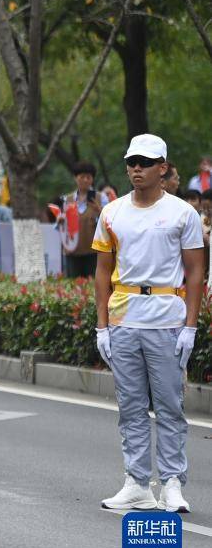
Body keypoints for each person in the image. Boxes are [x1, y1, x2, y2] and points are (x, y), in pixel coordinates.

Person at [94, 134, 203, 514]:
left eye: (145, 162)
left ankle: (172, 483)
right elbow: (102, 272)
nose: (136, 168)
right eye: (132, 161)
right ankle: (138, 483)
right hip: (125, 317)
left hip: (167, 321)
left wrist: (190, 325)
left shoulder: (182, 214)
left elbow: (195, 272)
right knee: (131, 407)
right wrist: (102, 326)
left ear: (163, 168)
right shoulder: (112, 213)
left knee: (170, 407)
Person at [56, 162, 106, 279]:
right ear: (75, 178)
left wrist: (99, 211)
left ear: (92, 179)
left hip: (94, 251)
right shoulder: (67, 200)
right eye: (81, 176)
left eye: (88, 177)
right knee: (73, 285)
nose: (85, 180)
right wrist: (60, 221)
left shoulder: (101, 198)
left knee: (92, 285)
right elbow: (62, 227)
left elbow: (109, 222)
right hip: (72, 250)